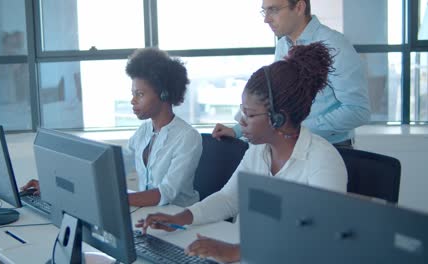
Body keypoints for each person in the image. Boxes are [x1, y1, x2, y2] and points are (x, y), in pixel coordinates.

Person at [137, 42, 348, 263]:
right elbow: (228, 199)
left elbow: (321, 235)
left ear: (279, 118)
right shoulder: (258, 151)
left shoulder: (323, 161)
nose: (240, 120)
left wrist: (237, 251)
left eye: (249, 113)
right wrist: (180, 217)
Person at [21, 48, 202, 208]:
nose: (133, 100)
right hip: (148, 216)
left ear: (164, 94)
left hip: (181, 221)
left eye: (140, 94)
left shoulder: (188, 137)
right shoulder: (144, 132)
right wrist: (54, 186)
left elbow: (165, 193)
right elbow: (110, 170)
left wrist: (103, 199)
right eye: (133, 94)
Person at [213, 0, 370, 148]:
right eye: (264, 11)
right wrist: (237, 130)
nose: (266, 19)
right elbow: (276, 99)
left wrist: (295, 130)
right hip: (291, 145)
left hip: (331, 148)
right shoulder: (283, 45)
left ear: (299, 7)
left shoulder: (333, 45)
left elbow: (357, 110)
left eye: (273, 10)